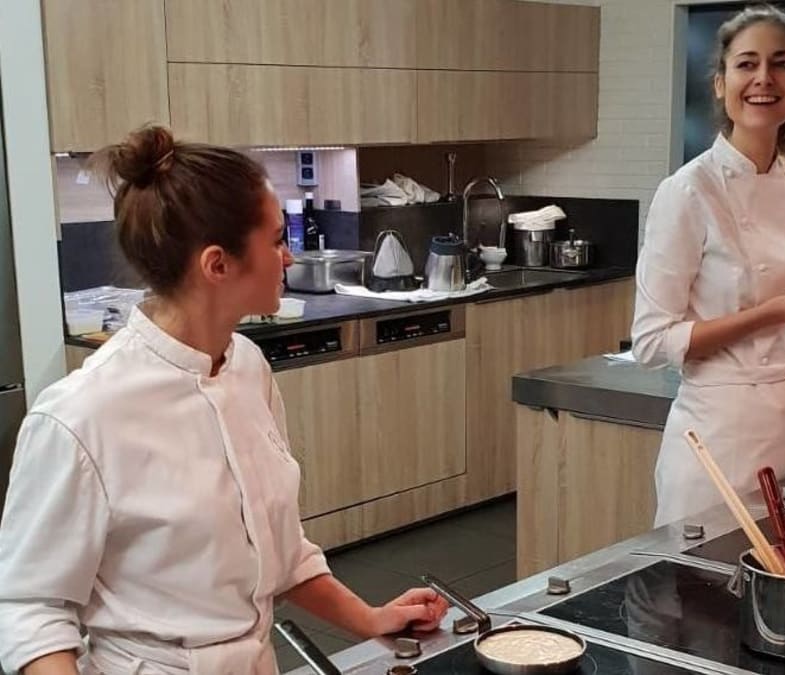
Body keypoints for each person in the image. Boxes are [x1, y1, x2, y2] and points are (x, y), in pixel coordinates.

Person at [0, 126, 449, 675]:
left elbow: (278, 550)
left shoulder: (247, 368)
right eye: (277, 239)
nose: (288, 257)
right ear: (218, 265)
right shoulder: (78, 416)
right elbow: (30, 610)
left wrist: (369, 619)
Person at [631, 4, 785, 528]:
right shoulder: (687, 192)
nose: (764, 78)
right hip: (726, 445)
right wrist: (777, 313)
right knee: (708, 604)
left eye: (782, 63)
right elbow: (651, 340)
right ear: (720, 84)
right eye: (746, 64)